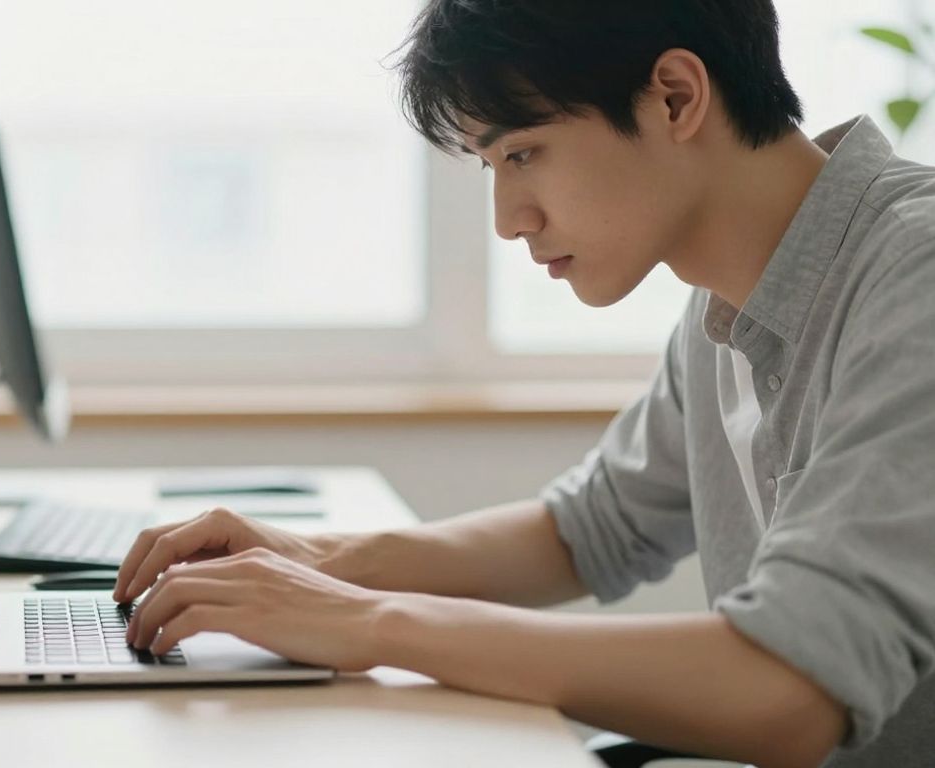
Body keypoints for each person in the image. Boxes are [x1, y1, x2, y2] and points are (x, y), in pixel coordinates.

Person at [114, 1, 935, 765]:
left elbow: (792, 689)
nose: (509, 218)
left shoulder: (915, 277)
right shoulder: (723, 304)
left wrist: (366, 622)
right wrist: (318, 561)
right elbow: (589, 530)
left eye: (522, 153)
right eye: (490, 166)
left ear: (677, 97)